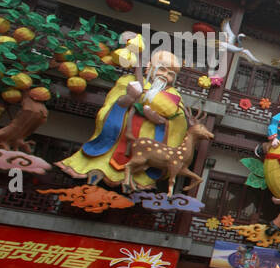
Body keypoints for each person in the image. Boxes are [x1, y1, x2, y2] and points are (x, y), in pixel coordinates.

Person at [57, 49, 188, 189]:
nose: (165, 76)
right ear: (149, 67)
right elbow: (110, 106)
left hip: (143, 152)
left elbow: (179, 125)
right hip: (117, 143)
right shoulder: (129, 81)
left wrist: (162, 122)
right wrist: (129, 98)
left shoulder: (174, 96)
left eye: (170, 74)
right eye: (162, 69)